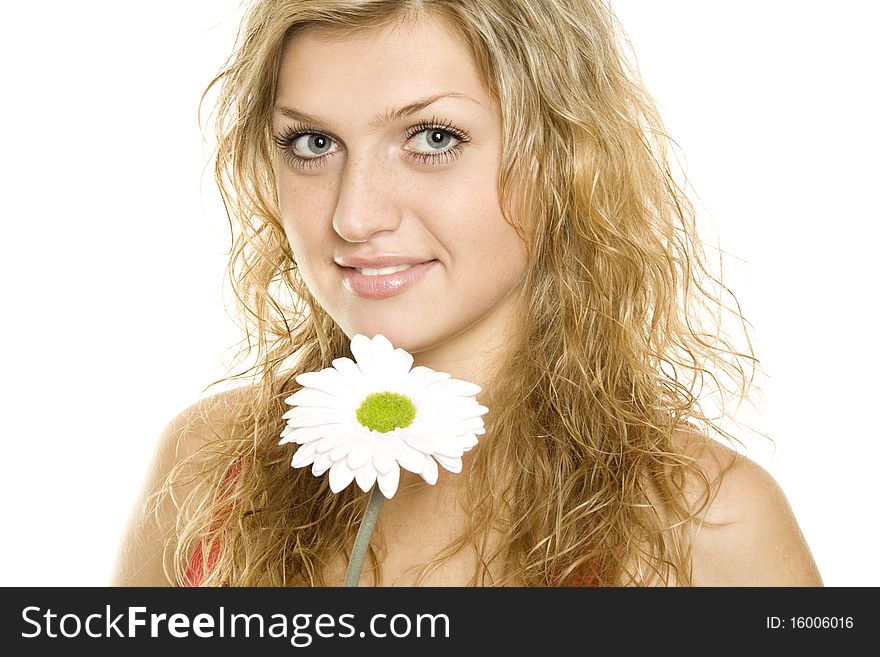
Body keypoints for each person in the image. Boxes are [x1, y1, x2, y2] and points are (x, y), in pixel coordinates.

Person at [111, 0, 822, 587]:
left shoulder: (708, 522)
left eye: (432, 136)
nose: (354, 216)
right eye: (313, 144)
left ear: (562, 155)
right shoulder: (208, 472)